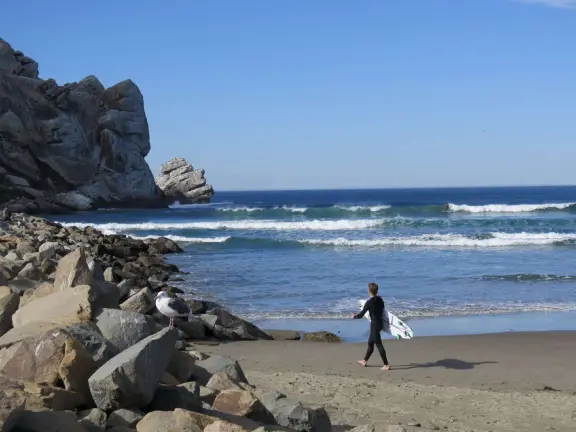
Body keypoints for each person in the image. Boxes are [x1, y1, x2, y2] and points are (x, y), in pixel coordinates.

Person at [352, 282, 390, 370]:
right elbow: (383, 310)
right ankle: (364, 361)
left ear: (369, 290)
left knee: (379, 344)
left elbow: (361, 315)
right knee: (370, 342)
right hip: (380, 324)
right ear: (376, 291)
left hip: (374, 325)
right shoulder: (380, 299)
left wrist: (354, 316)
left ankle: (386, 365)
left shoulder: (368, 303)